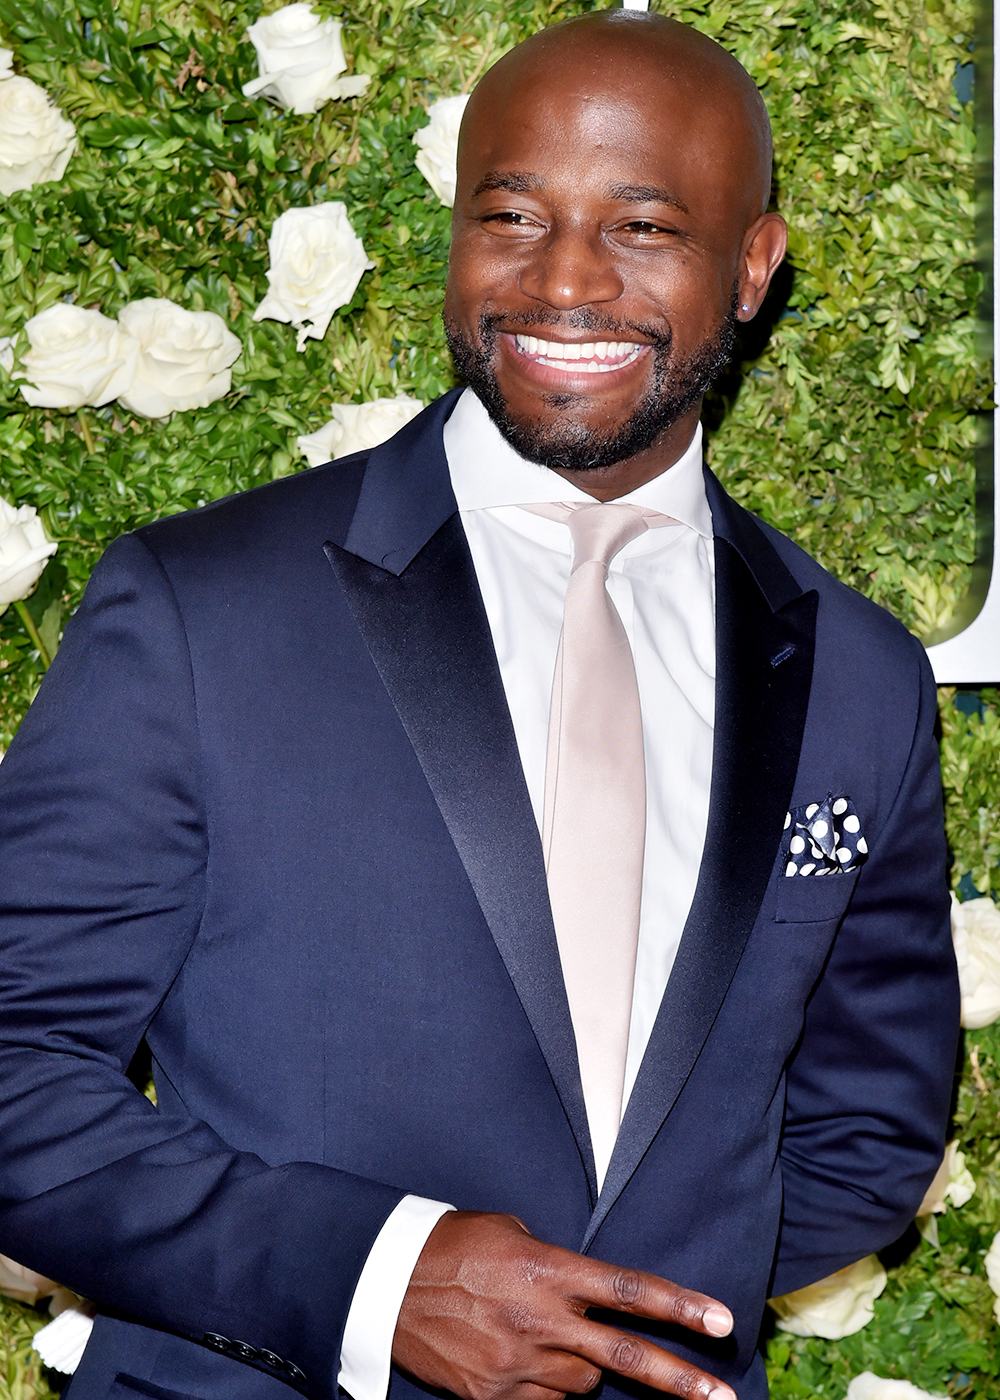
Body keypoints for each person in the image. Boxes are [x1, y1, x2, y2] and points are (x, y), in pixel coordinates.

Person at [0, 12, 959, 1400]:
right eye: (510, 214)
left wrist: (639, 1317)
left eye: (641, 227)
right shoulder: (204, 608)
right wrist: (374, 1282)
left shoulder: (861, 674)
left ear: (753, 267)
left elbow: (865, 1133)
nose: (562, 283)